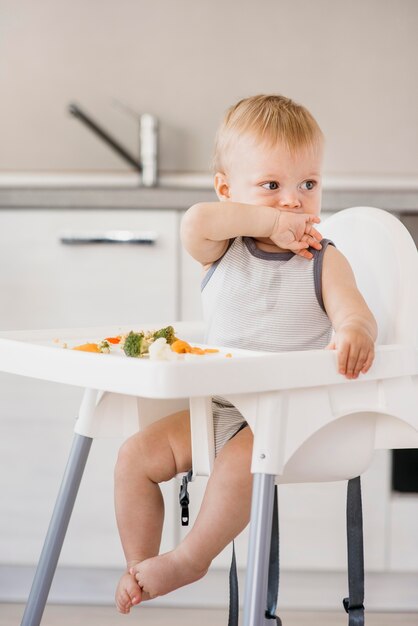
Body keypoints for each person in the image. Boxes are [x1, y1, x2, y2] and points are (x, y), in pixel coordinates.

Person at [114, 94, 377, 614]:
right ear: (226, 190)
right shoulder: (222, 246)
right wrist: (261, 225)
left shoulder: (323, 259)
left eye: (308, 184)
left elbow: (356, 313)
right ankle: (140, 566)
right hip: (220, 405)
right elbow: (195, 221)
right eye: (271, 185)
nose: (292, 201)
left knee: (240, 462)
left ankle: (190, 560)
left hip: (289, 413)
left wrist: (355, 331)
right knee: (134, 458)